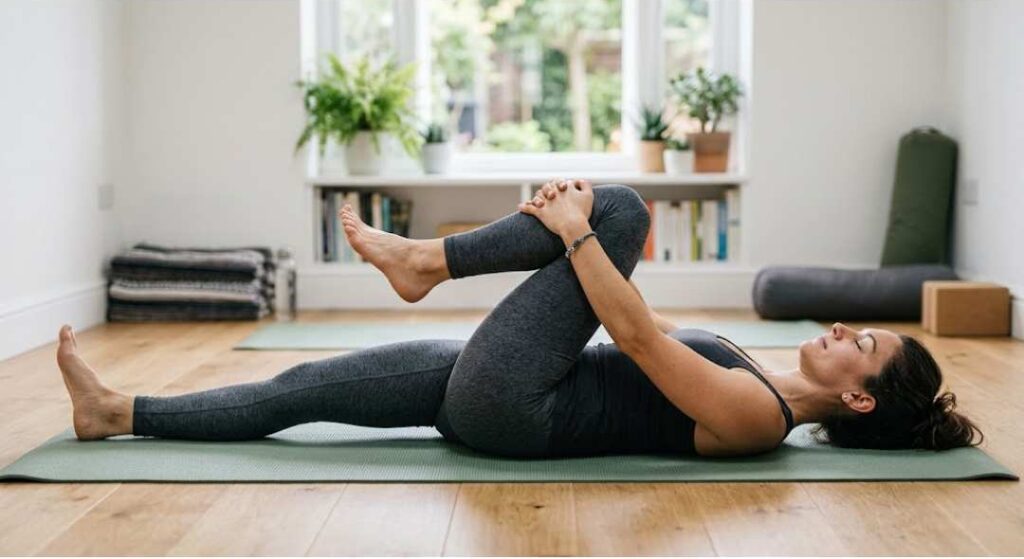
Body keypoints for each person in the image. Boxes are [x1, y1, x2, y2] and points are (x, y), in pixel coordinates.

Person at [54, 180, 983, 458]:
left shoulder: (758, 420)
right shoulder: (758, 373)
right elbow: (628, 326)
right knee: (305, 387)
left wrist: (577, 236)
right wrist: (570, 246)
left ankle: (425, 262)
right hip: (502, 386)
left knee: (618, 212)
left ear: (860, 401)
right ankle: (119, 410)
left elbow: (636, 337)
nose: (838, 329)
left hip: (518, 405)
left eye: (858, 343)